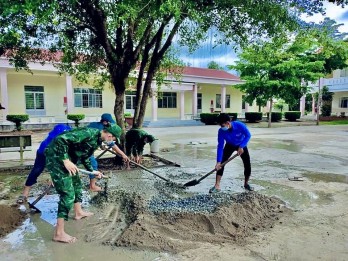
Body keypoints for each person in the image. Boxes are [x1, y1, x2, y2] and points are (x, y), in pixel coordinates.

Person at [45, 124, 121, 243]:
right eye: (113, 139)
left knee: (76, 185)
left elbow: (85, 156)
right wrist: (65, 160)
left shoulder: (97, 140)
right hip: (57, 158)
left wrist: (92, 171)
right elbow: (60, 139)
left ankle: (78, 212)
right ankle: (58, 233)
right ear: (109, 134)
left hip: (69, 160)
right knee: (67, 195)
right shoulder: (89, 133)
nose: (112, 142)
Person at [17, 124, 72, 204]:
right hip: (43, 154)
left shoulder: (69, 139)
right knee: (36, 171)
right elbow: (53, 162)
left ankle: (65, 197)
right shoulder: (47, 145)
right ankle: (25, 194)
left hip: (59, 155)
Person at [209, 113, 253, 194]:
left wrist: (242, 146)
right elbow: (220, 146)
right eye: (220, 126)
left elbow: (248, 135)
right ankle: (217, 185)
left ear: (228, 123)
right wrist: (218, 161)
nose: (222, 127)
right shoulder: (221, 131)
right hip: (229, 145)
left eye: (222, 125)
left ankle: (246, 183)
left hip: (241, 145)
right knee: (221, 164)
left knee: (247, 164)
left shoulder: (239, 125)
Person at [87, 113, 129, 190]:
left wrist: (100, 145)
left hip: (87, 146)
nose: (110, 125)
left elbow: (99, 139)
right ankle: (92, 186)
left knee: (90, 163)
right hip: (84, 148)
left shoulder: (96, 125)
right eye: (110, 123)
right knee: (92, 163)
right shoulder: (103, 129)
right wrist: (123, 155)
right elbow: (111, 144)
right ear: (105, 122)